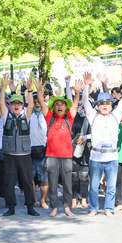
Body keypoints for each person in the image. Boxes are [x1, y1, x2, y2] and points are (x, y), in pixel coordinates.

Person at [82, 71, 122, 217]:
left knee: (111, 186)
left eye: (107, 103)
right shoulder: (93, 116)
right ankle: (93, 208)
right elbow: (85, 102)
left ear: (110, 105)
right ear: (97, 105)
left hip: (112, 157)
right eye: (101, 103)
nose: (104, 106)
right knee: (94, 186)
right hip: (96, 157)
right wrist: (86, 86)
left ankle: (109, 209)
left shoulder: (116, 115)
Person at [37, 76, 81, 217]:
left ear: (65, 107)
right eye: (57, 104)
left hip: (67, 157)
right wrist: (38, 90)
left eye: (62, 104)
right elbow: (43, 105)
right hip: (51, 157)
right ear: (54, 107)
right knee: (53, 183)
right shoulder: (50, 117)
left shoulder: (69, 118)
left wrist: (77, 92)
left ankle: (67, 207)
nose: (60, 106)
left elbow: (74, 106)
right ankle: (54, 207)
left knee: (68, 184)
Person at [0, 75, 39, 217]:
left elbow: (31, 105)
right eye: (13, 103)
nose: (16, 105)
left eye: (19, 103)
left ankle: (30, 206)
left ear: (22, 105)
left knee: (28, 182)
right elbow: (1, 103)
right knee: (9, 182)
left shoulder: (26, 116)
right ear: (10, 105)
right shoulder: (6, 116)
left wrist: (29, 90)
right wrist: (3, 88)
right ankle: (10, 207)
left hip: (24, 155)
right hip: (10, 155)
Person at [28, 85, 49, 209]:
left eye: (38, 101)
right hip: (29, 150)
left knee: (44, 179)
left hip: (44, 150)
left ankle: (43, 200)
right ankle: (33, 199)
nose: (36, 104)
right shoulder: (28, 114)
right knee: (31, 178)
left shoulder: (46, 114)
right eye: (34, 101)